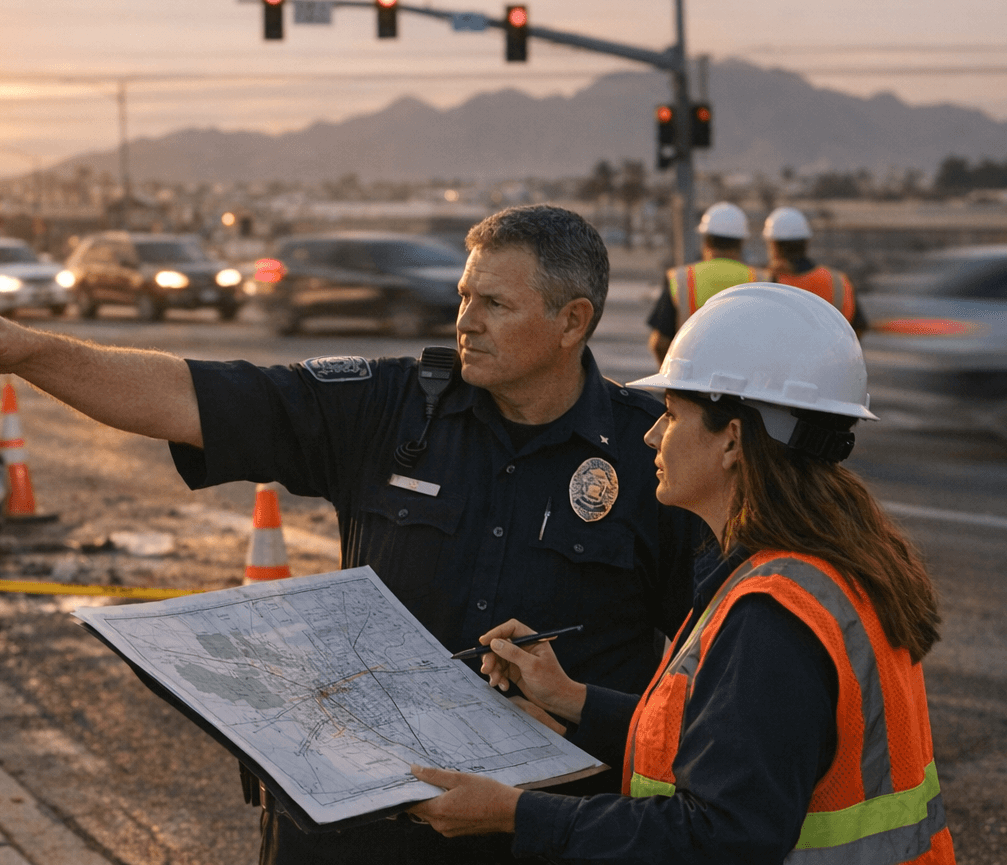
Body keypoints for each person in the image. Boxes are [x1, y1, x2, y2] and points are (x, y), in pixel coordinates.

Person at [0, 204, 706, 865]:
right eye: (464, 296)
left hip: (538, 832)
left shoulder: (653, 458)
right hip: (363, 825)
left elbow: (713, 681)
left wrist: (587, 711)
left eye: (495, 304)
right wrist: (28, 351)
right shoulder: (391, 407)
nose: (465, 321)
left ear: (573, 321)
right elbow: (187, 398)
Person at [408, 282, 955, 865]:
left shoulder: (773, 616)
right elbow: (727, 740)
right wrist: (571, 699)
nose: (651, 435)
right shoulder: (827, 567)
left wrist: (516, 814)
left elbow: (719, 835)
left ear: (732, 441)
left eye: (670, 415)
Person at [646, 200, 760, 366]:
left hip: (691, 380)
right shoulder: (761, 279)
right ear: (741, 242)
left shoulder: (681, 279)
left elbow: (659, 343)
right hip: (746, 379)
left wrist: (672, 376)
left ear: (705, 241)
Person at [764, 205, 868, 338]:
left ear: (772, 244)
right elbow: (858, 327)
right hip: (835, 351)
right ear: (806, 242)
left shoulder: (767, 282)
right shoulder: (839, 281)